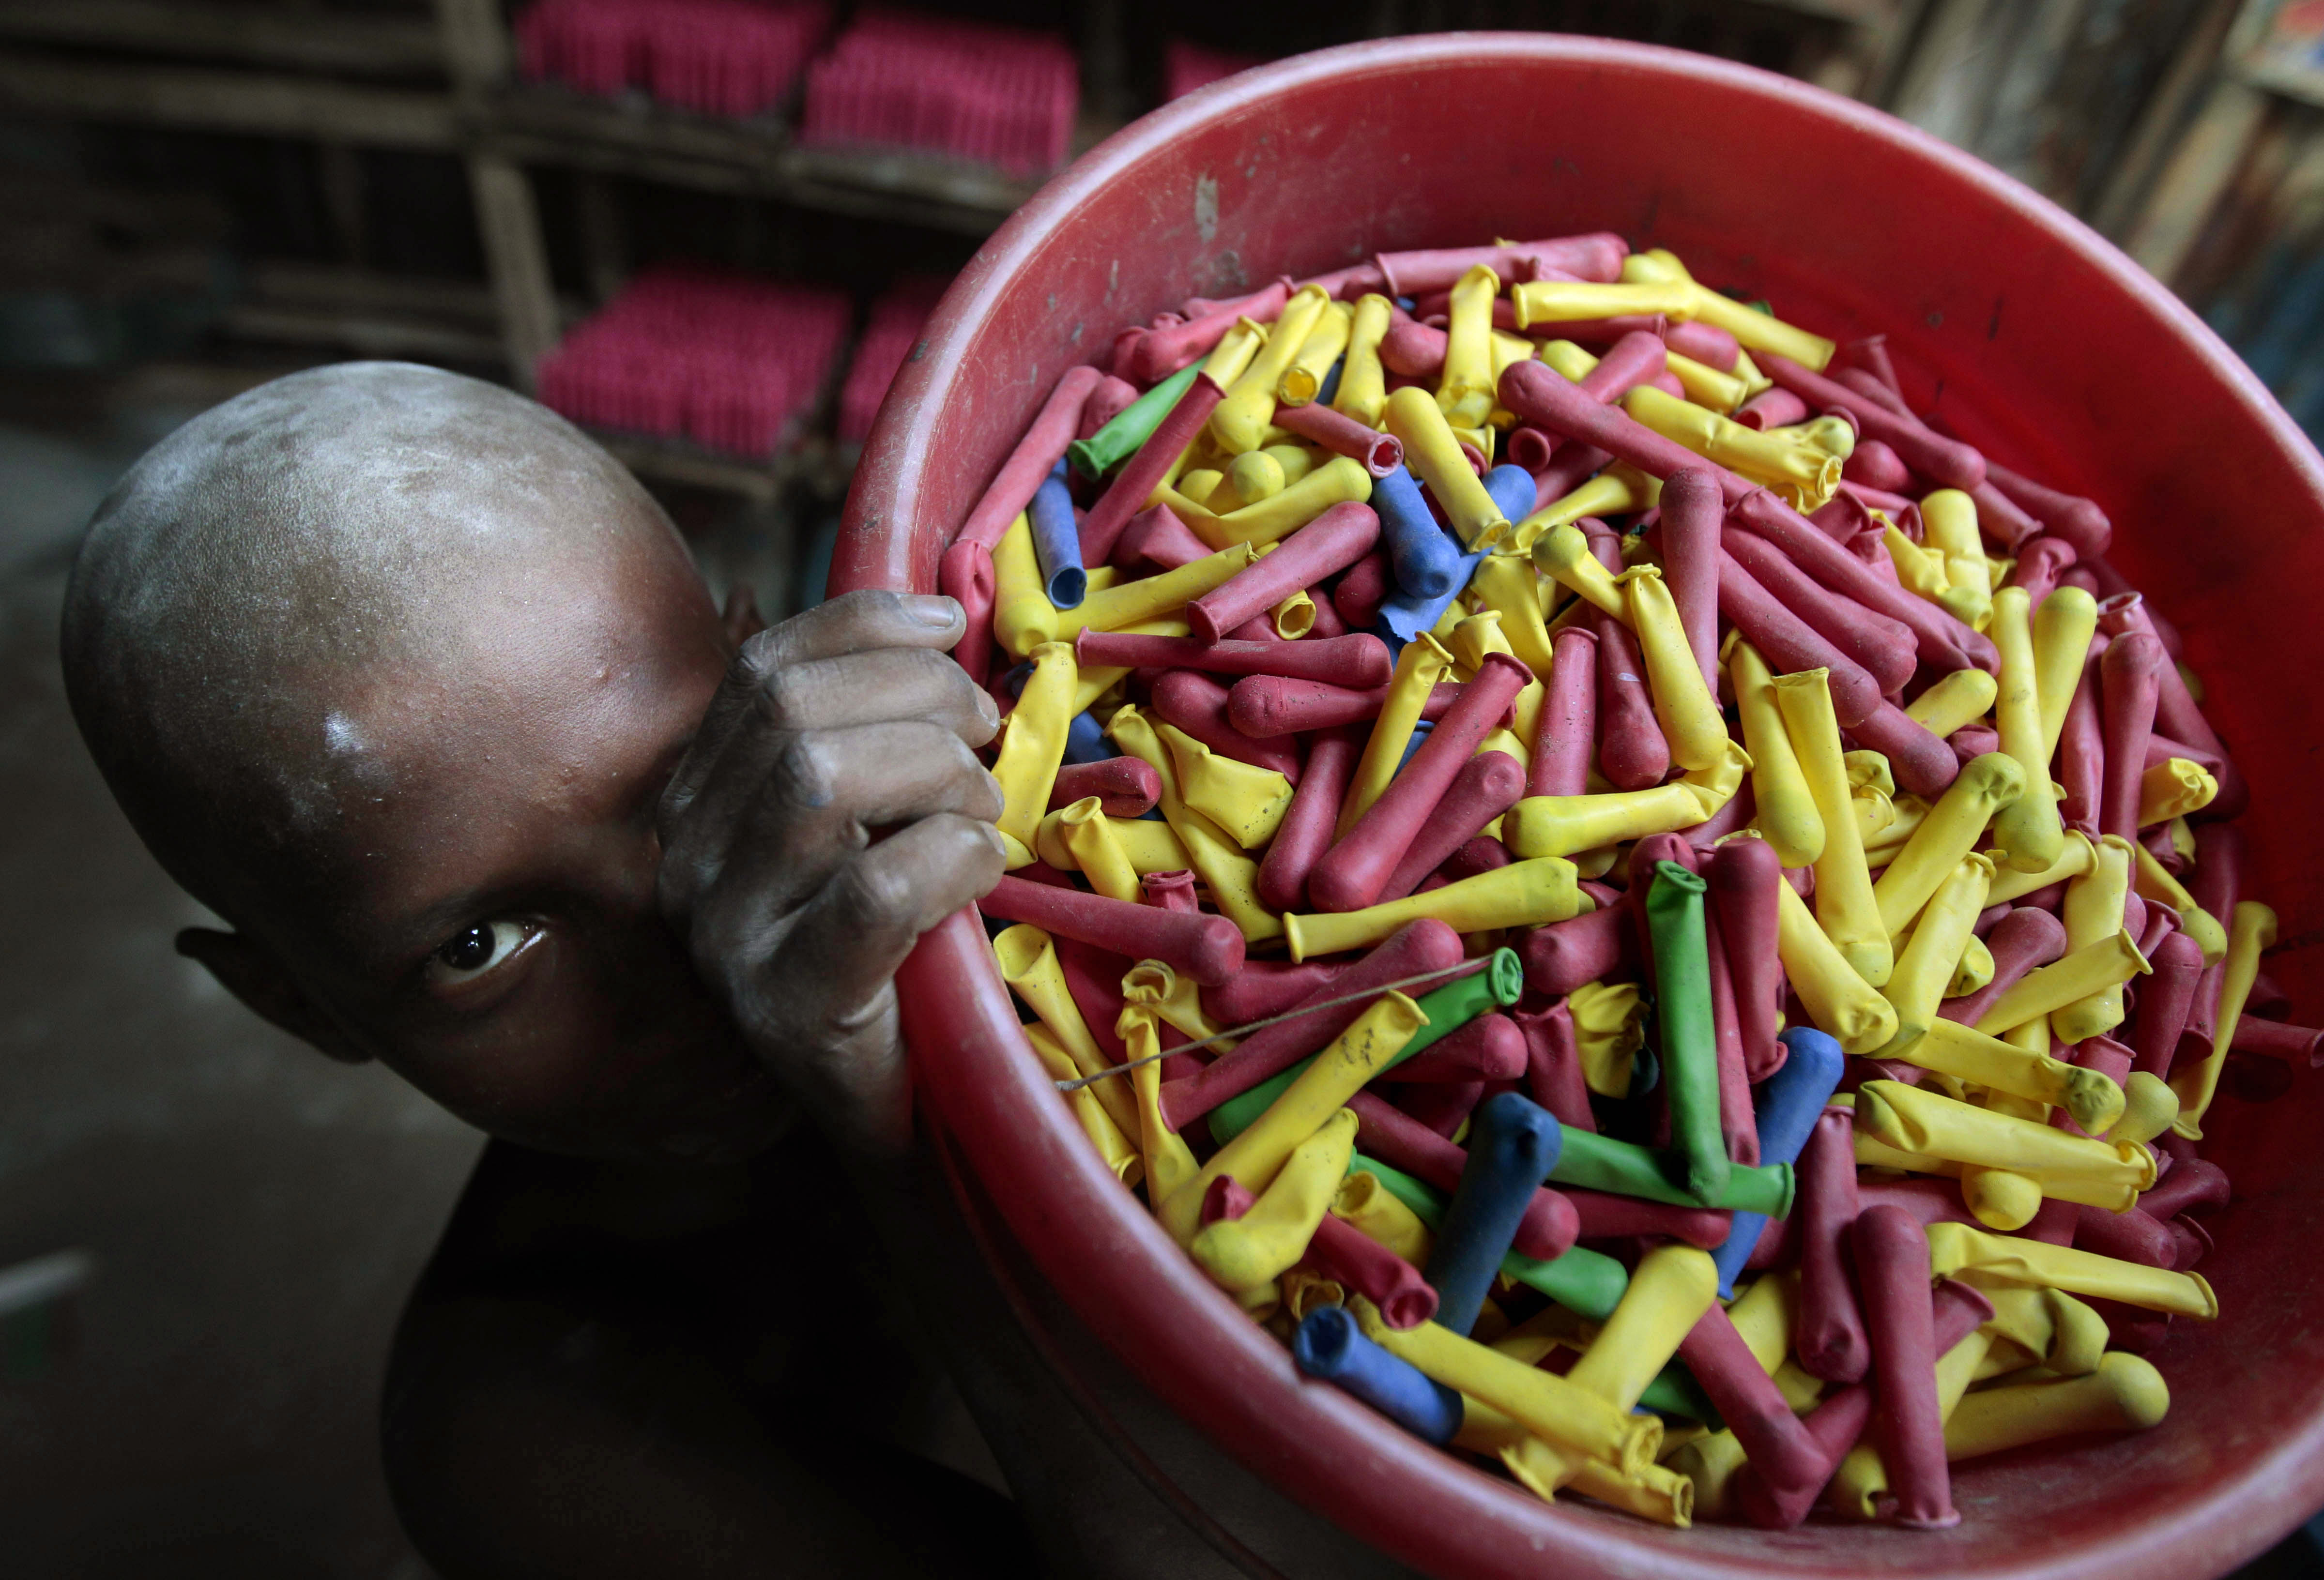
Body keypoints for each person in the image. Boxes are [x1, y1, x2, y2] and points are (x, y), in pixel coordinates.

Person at [61, 362, 1416, 1580]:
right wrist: (889, 1139)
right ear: (294, 1007)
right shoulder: (532, 1426)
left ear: (770, 667)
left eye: (684, 783)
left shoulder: (1055, 847)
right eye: (479, 947)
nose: (696, 944)